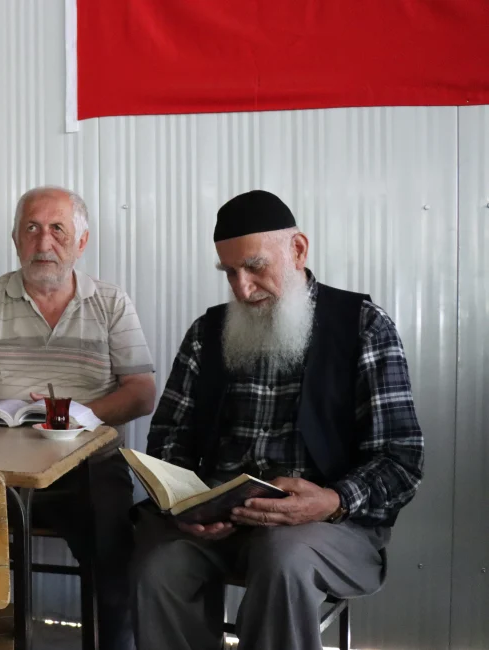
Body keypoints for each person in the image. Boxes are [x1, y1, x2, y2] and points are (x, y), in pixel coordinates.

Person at [132, 190, 424, 650]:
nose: (242, 289)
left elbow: (401, 459)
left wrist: (333, 500)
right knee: (157, 567)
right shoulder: (208, 332)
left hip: (330, 527)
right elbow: (169, 436)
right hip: (223, 523)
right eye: (230, 272)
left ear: (298, 249)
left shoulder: (363, 327)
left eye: (254, 267)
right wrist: (186, 504)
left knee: (282, 558)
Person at [0, 186, 156, 650]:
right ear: (15, 239)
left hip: (86, 467)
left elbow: (142, 394)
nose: (44, 242)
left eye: (58, 229)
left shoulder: (111, 302)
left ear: (82, 242)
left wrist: (78, 415)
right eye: (32, 229)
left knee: (114, 551)